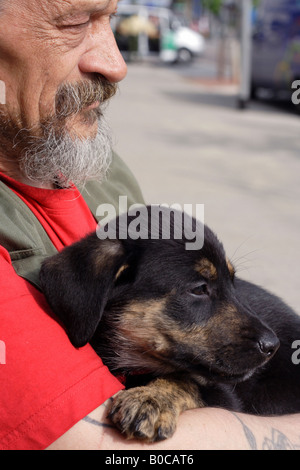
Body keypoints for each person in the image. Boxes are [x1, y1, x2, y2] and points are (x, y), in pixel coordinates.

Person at [0, 0, 299, 451]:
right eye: (75, 23)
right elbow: (117, 453)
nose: (116, 64)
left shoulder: (93, 164)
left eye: (111, 21)